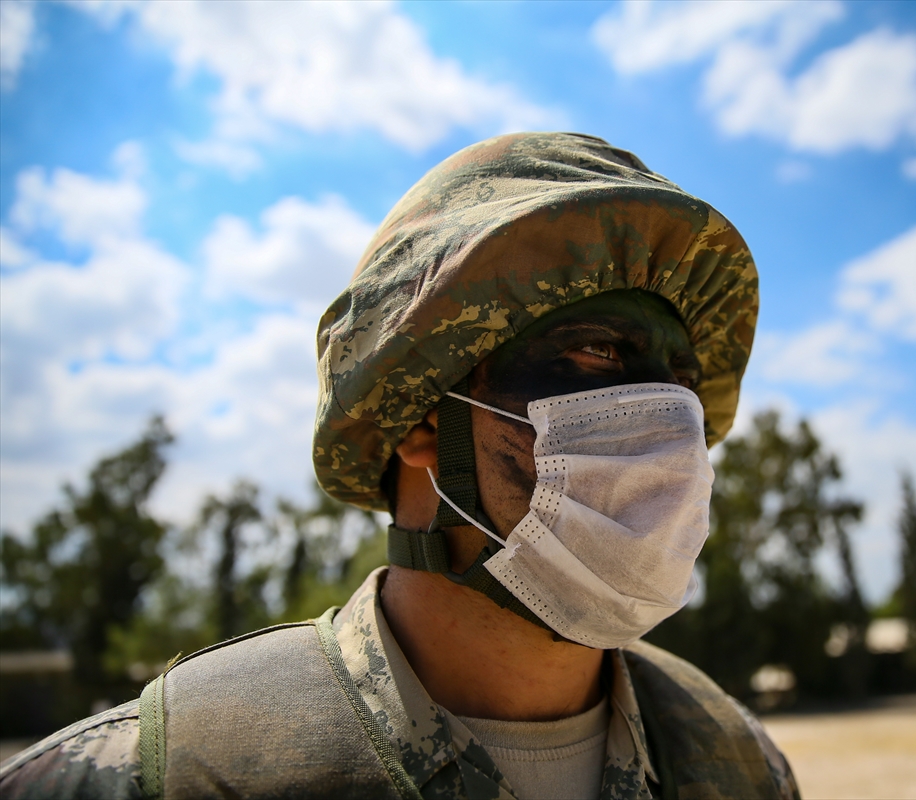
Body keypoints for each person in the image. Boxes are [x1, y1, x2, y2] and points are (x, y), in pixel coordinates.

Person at [0, 132, 800, 799]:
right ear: (419, 414)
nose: (666, 418)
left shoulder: (735, 764)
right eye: (596, 351)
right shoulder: (164, 775)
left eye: (682, 384)